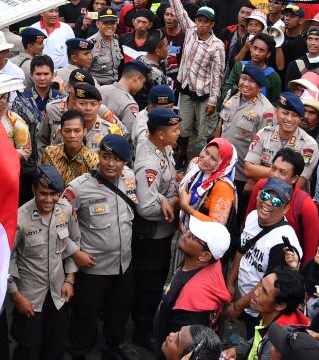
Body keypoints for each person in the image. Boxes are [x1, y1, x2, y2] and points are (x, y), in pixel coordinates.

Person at [64, 134, 137, 360]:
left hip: (123, 265)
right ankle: (79, 350)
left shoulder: (129, 179)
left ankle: (112, 347)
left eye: (117, 159)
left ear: (125, 162)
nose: (111, 163)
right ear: (99, 156)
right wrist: (74, 252)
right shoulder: (79, 188)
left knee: (118, 311)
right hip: (93, 268)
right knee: (85, 314)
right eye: (106, 157)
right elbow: (57, 224)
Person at [8, 165, 81, 360]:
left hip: (58, 296)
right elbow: (7, 259)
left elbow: (72, 242)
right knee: (28, 350)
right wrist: (16, 297)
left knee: (55, 348)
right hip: (30, 299)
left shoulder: (65, 210)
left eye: (54, 194)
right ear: (33, 190)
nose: (49, 200)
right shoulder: (19, 219)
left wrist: (70, 279)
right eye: (43, 194)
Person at [132, 107, 181, 350]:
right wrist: (172, 203)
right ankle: (142, 333)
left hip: (161, 235)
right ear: (160, 134)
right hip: (152, 236)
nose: (179, 133)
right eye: (174, 130)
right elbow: (145, 206)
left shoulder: (164, 148)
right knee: (148, 285)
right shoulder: (148, 162)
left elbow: (165, 184)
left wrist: (167, 195)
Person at [165, 0, 227, 165]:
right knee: (183, 127)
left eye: (205, 21)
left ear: (212, 24)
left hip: (204, 93)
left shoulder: (216, 46)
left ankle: (207, 159)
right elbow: (180, 11)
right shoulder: (191, 31)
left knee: (205, 131)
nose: (200, 24)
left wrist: (213, 100)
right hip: (186, 89)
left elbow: (217, 75)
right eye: (199, 20)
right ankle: (183, 155)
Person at [151, 218, 232, 356]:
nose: (187, 233)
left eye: (194, 237)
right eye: (191, 230)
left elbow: (178, 349)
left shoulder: (193, 303)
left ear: (204, 256)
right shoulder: (199, 262)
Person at [228, 177, 302, 326]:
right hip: (243, 298)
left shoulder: (282, 243)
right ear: (258, 194)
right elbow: (241, 250)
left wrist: (238, 306)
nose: (268, 203)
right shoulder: (253, 216)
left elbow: (267, 284)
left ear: (286, 209)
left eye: (276, 202)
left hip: (261, 311)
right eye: (266, 196)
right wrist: (230, 282)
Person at [217, 62, 276, 188]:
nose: (246, 84)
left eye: (252, 81)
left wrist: (253, 180)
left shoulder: (266, 111)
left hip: (241, 174)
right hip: (220, 165)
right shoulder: (232, 95)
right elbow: (221, 124)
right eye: (243, 78)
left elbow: (267, 148)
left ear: (260, 87)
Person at [228, 269, 310, 359]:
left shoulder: (276, 346)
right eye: (260, 284)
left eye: (264, 291)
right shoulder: (270, 317)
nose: (255, 292)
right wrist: (237, 351)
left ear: (280, 305)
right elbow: (258, 343)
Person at [245, 92, 319, 190]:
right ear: (276, 112)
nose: (289, 119)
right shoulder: (264, 133)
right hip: (259, 196)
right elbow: (249, 170)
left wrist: (257, 177)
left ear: (300, 118)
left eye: (295, 115)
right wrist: (284, 174)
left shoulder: (309, 145)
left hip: (289, 201)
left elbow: (296, 183)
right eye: (285, 113)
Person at [178, 138, 238, 226]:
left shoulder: (223, 187)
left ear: (223, 163)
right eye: (206, 152)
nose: (205, 159)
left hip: (200, 238)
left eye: (213, 159)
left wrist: (186, 207)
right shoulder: (195, 166)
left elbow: (217, 225)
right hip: (186, 233)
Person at [40, 109, 99, 186]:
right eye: (67, 131)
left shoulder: (93, 160)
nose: (72, 135)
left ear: (84, 132)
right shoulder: (49, 153)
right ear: (61, 132)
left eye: (77, 131)